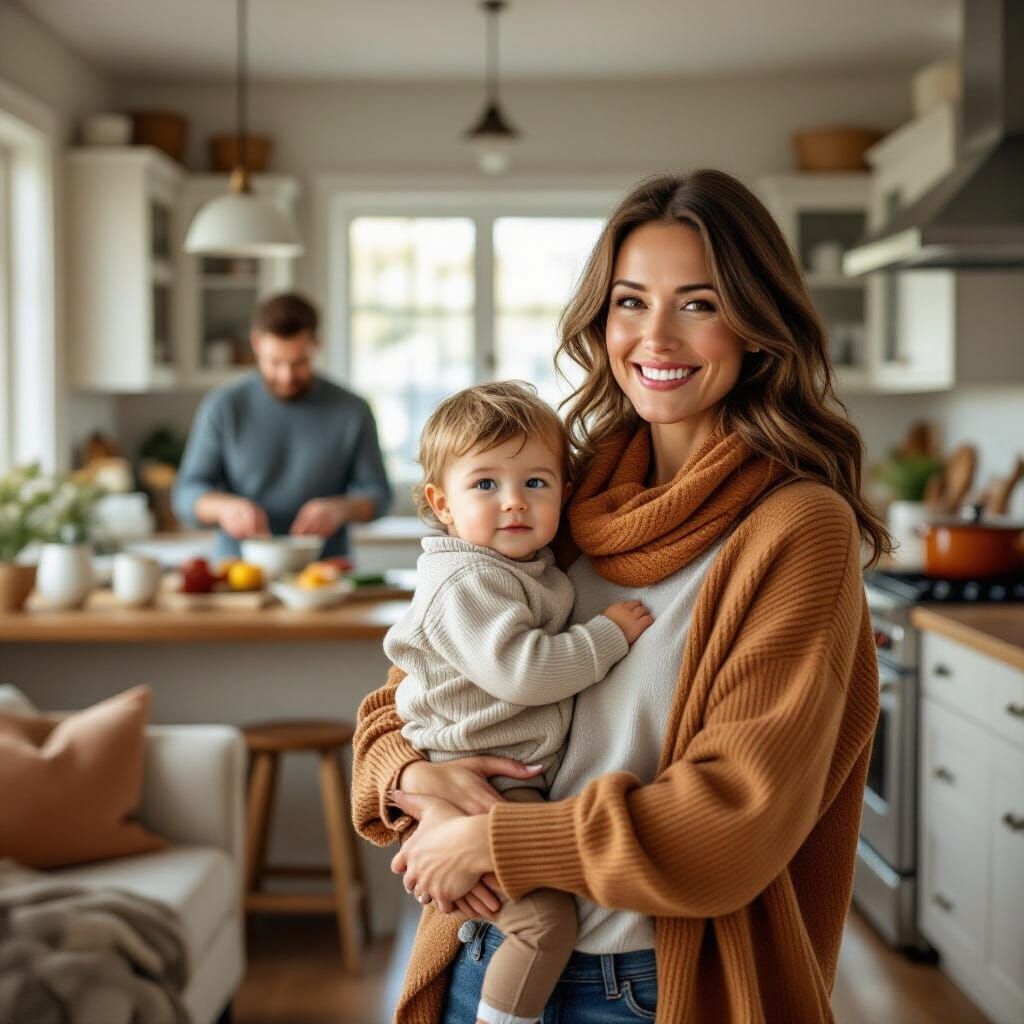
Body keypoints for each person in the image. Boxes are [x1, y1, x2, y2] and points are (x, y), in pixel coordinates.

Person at [352, 170, 887, 1024]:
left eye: (700, 304)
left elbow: (731, 822)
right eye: (631, 302)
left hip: (646, 987)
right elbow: (407, 694)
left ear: (756, 325)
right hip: (476, 947)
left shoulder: (796, 530)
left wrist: (492, 836)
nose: (657, 337)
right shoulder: (568, 493)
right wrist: (408, 772)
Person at [383, 381, 654, 1024]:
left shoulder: (518, 568)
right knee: (543, 921)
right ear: (440, 503)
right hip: (484, 775)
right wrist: (608, 635)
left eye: (537, 483)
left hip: (494, 773)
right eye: (485, 485)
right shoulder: (469, 579)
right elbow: (525, 672)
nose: (513, 502)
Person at [172, 292, 391, 558]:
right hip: (239, 574)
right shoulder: (224, 407)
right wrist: (223, 508)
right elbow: (185, 495)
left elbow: (380, 495)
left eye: (298, 363)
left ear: (316, 345)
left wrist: (340, 509)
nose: (286, 376)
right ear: (256, 344)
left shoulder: (352, 410)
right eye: (275, 363)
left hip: (325, 576)